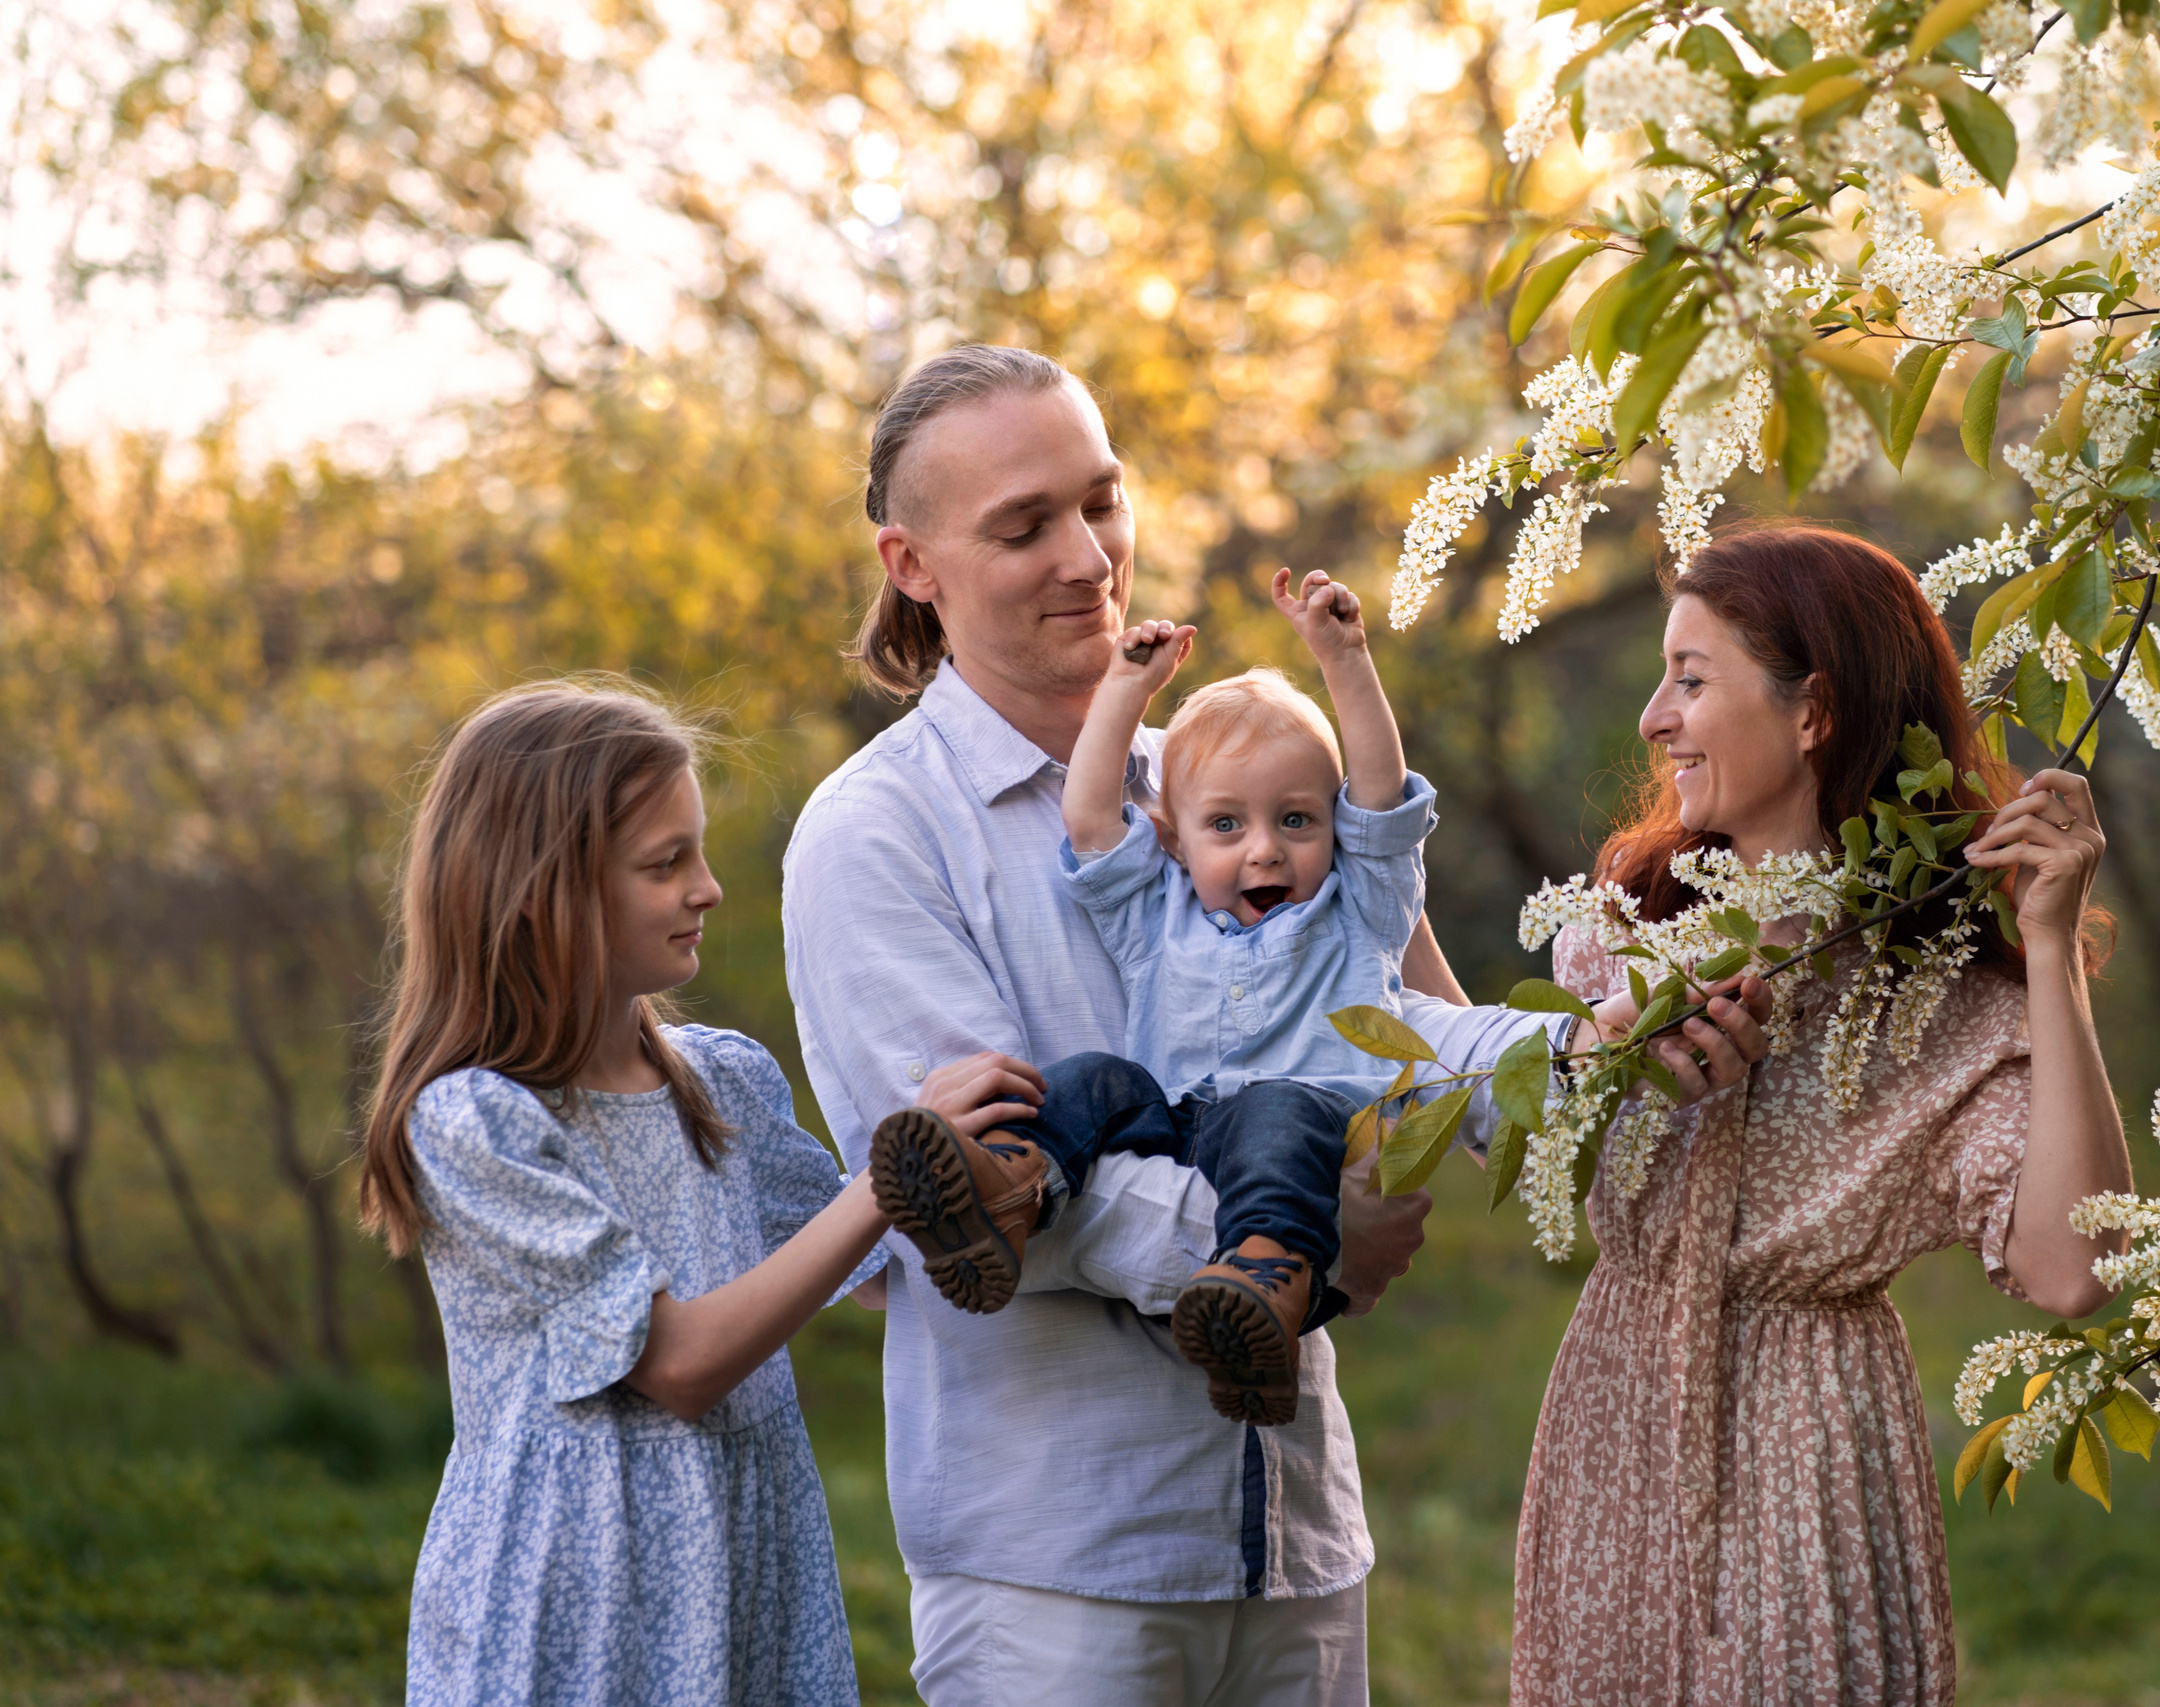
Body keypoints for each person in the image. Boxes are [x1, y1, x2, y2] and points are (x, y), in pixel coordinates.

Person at [782, 344, 1774, 1706]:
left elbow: (1409, 1025)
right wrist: (1314, 1239)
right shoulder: (876, 832)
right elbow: (989, 1176)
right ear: (912, 563)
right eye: (1023, 526)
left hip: (1293, 1528)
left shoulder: (1236, 765)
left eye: (1102, 499)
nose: (1088, 555)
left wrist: (1612, 1042)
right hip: (1063, 1551)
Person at [1506, 524, 2137, 1707]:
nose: (1652, 716)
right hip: (1614, 1419)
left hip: (1808, 1451)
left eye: (1691, 680)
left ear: (1812, 713)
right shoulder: (1625, 930)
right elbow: (1484, 1099)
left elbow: (2074, 1270)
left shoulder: (1933, 995)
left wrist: (2046, 947)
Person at [356, 682, 1020, 1704]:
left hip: (744, 1563)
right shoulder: (475, 1123)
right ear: (544, 895)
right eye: (666, 864)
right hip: (572, 1605)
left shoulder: (725, 1084)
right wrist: (894, 1172)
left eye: (697, 852)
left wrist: (1004, 1168)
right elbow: (681, 1366)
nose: (707, 887)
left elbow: (883, 1272)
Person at [870, 567, 1438, 1426]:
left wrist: (1345, 656)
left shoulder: (1357, 908)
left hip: (1303, 1138)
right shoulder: (1158, 915)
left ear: (1335, 825)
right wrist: (1127, 690)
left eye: (1296, 820)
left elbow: (1383, 797)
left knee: (1276, 1116)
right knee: (1094, 1078)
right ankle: (1008, 1187)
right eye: (1226, 824)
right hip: (1177, 1123)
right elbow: (1092, 816)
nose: (1265, 853)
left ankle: (1260, 1288)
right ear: (1172, 838)